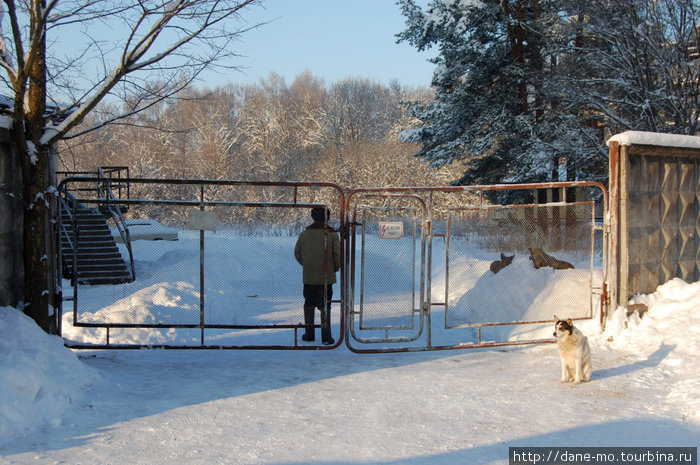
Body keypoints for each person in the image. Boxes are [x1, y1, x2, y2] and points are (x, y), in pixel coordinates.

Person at [294, 206, 341, 345]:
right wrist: (335, 268)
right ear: (328, 217)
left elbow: (297, 253)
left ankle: (309, 334)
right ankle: (326, 336)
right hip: (326, 277)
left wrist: (307, 265)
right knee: (325, 305)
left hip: (309, 277)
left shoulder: (305, 234)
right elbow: (337, 255)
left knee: (308, 303)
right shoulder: (331, 234)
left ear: (313, 217)